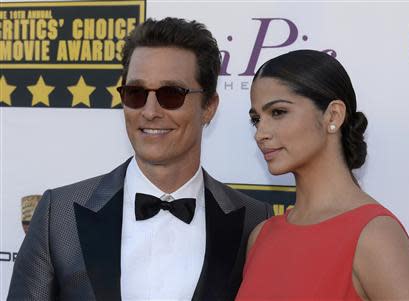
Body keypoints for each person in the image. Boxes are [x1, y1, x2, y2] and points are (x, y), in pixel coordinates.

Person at [8, 17, 272, 301]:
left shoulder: (254, 221)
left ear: (208, 107)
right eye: (135, 93)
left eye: (171, 94)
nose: (149, 111)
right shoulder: (58, 216)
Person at [236, 50, 409, 300]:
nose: (260, 133)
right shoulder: (262, 236)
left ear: (333, 115)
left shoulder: (374, 235)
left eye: (278, 112)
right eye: (256, 119)